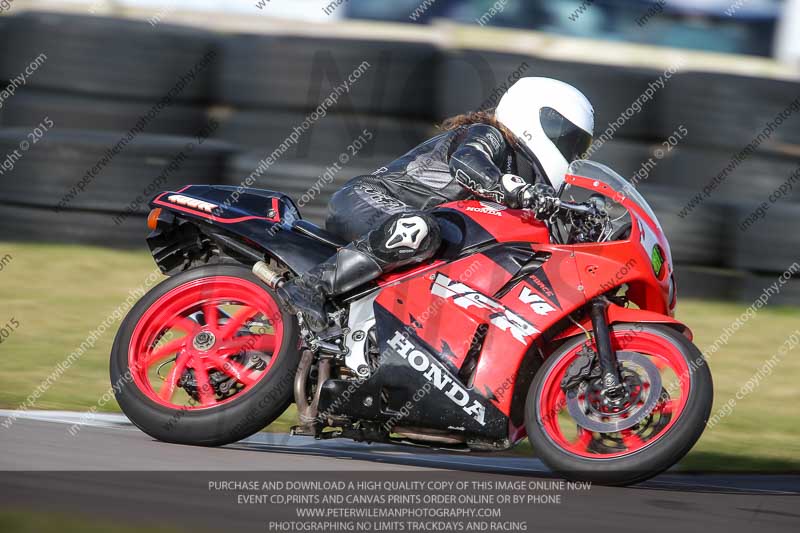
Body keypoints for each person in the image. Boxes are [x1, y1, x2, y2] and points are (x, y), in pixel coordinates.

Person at [278, 77, 594, 332]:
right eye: (567, 138)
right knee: (419, 230)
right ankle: (311, 287)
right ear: (534, 117)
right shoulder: (487, 135)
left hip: (402, 226)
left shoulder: (521, 173)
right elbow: (467, 163)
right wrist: (509, 188)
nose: (571, 151)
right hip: (367, 199)